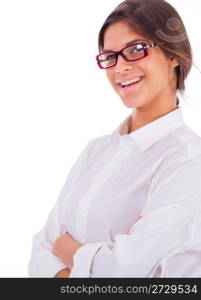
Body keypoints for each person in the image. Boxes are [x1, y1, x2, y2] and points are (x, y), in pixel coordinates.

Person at [28, 0, 201, 277]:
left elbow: (121, 271)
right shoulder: (95, 151)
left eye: (135, 50)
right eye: (110, 57)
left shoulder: (190, 161)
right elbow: (40, 252)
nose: (120, 68)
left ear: (173, 55)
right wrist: (95, 260)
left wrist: (67, 250)